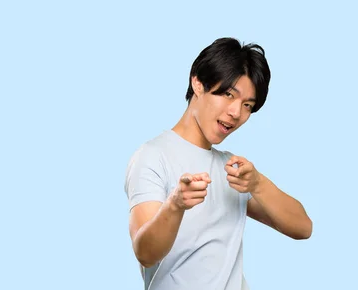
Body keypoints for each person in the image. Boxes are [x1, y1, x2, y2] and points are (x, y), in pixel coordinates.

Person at [123, 37, 313, 290]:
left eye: (248, 105)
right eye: (228, 94)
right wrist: (175, 205)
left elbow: (303, 227)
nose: (236, 113)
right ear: (198, 83)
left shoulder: (232, 169)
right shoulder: (153, 155)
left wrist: (258, 184)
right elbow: (145, 253)